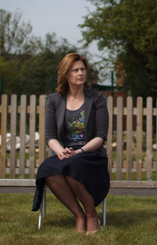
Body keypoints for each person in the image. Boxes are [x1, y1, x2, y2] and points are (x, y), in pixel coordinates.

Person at [32, 53, 110, 234]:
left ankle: (91, 215)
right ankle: (79, 215)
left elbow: (100, 136)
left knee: (72, 164)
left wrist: (79, 151)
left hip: (90, 153)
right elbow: (50, 135)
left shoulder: (96, 99)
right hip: (63, 152)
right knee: (48, 169)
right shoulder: (54, 99)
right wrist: (60, 151)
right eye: (75, 70)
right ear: (65, 75)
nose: (80, 73)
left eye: (82, 69)